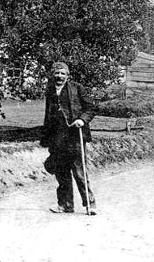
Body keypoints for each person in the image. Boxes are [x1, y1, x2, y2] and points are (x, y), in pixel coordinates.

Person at [40, 61, 97, 215]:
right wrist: (46, 137)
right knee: (61, 172)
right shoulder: (50, 91)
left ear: (67, 75)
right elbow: (48, 115)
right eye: (56, 73)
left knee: (79, 171)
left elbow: (91, 108)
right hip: (57, 137)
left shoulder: (77, 88)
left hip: (75, 136)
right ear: (52, 75)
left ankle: (89, 204)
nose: (59, 76)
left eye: (62, 73)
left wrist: (82, 120)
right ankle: (66, 205)